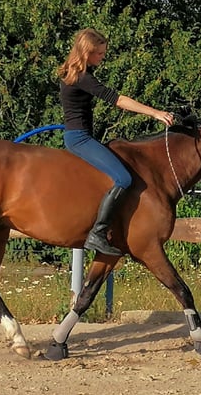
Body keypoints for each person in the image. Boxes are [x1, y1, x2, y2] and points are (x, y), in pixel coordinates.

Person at [57, 28, 174, 255]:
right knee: (123, 177)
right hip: (79, 139)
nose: (102, 57)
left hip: (80, 136)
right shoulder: (83, 78)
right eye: (99, 53)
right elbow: (117, 100)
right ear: (87, 52)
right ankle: (97, 233)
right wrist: (154, 113)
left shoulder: (74, 73)